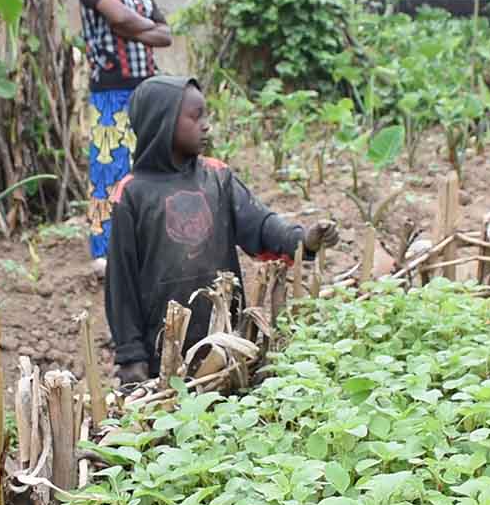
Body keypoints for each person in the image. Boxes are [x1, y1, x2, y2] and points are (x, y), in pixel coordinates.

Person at [105, 76, 339, 383]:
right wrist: (130, 356)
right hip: (162, 350)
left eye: (206, 114)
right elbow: (121, 284)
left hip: (225, 338)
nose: (206, 125)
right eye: (195, 116)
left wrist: (302, 239)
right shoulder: (133, 194)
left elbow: (261, 225)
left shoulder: (218, 177)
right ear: (160, 123)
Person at [80, 0, 172, 277]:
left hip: (147, 90)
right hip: (110, 90)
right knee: (109, 168)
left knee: (146, 166)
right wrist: (135, 25)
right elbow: (118, 18)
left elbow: (165, 35)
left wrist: (131, 27)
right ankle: (104, 253)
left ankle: (145, 243)